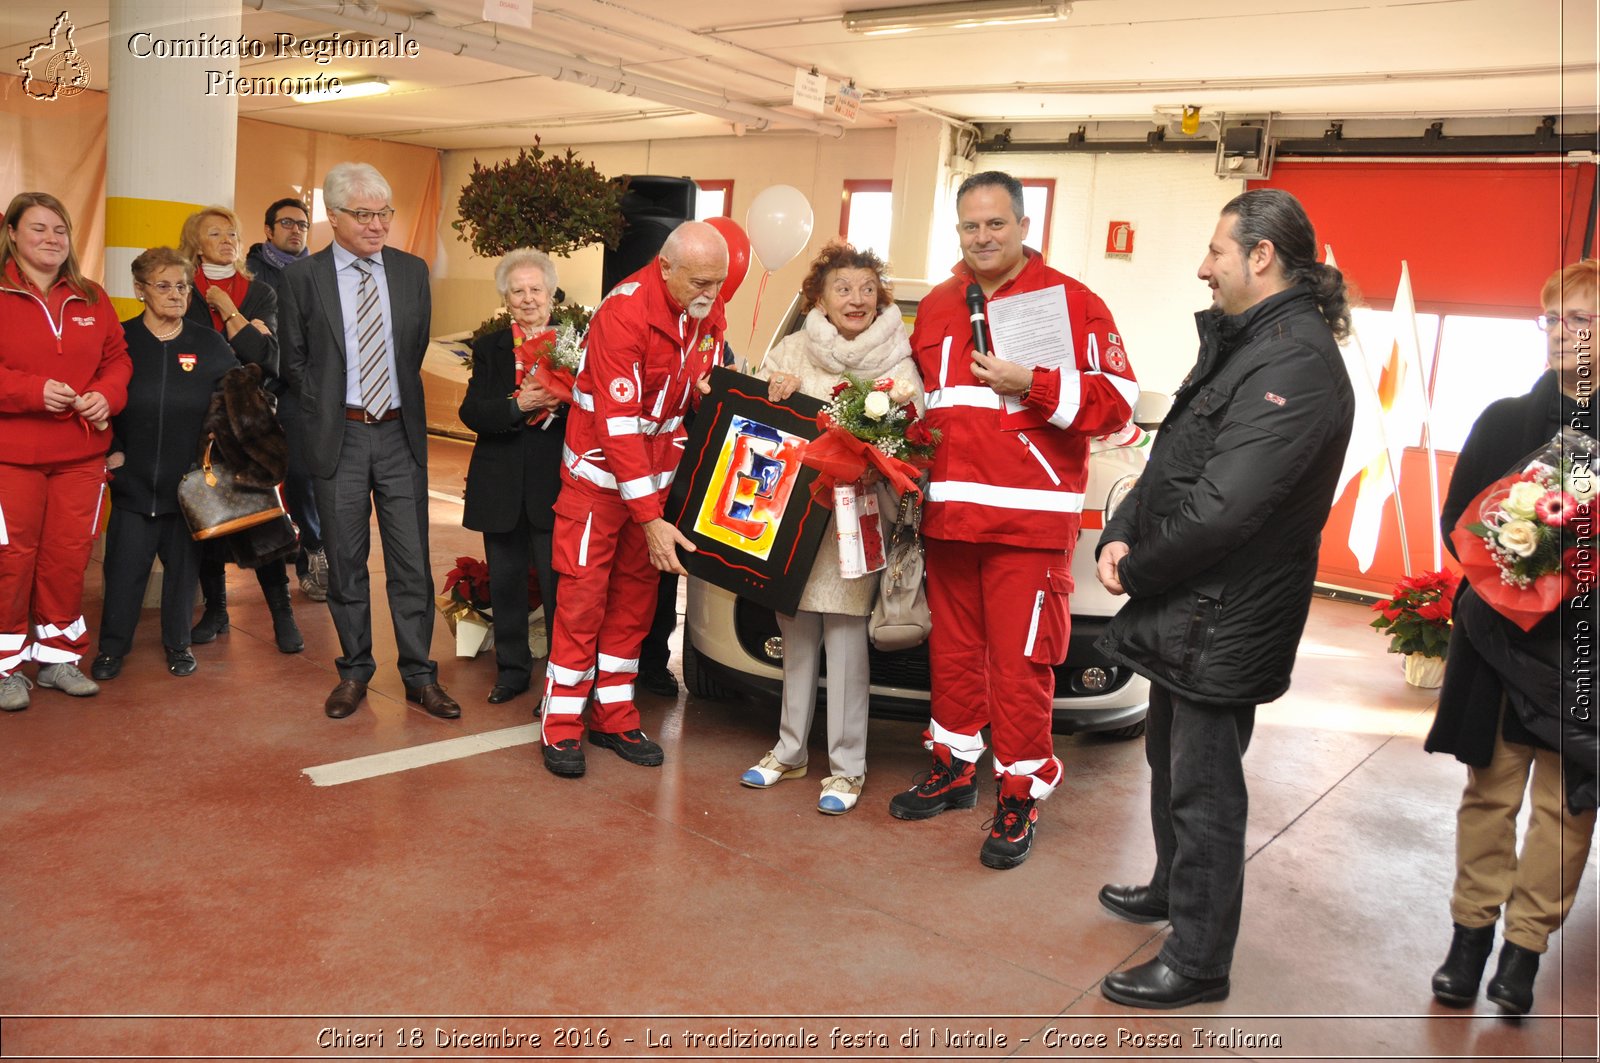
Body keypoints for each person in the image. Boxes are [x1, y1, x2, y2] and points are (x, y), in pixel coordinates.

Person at [1093, 188, 1355, 1009]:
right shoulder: (1250, 343)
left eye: (1215, 251)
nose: (1203, 267)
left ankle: (1199, 959)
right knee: (1169, 760)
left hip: (1226, 613)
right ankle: (1174, 890)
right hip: (1194, 606)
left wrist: (1136, 568)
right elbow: (1176, 448)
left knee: (1204, 788)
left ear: (1262, 256)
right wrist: (1123, 523)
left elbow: (1224, 507)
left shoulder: (1296, 365)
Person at [888, 171, 1138, 869]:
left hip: (1029, 524)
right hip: (949, 515)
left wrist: (1033, 382)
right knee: (954, 653)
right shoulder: (938, 306)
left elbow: (1118, 401)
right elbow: (924, 400)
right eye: (970, 226)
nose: (982, 237)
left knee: (1021, 664)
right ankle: (954, 764)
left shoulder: (1074, 302)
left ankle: (1021, 789)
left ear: (1025, 226)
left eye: (995, 224)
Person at [1424, 259, 1598, 1016]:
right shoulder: (1501, 418)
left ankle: (1524, 950)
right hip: (1498, 642)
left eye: (1582, 322)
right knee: (1488, 793)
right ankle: (1469, 939)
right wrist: (1515, 563)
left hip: (1583, 656)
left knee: (1565, 808)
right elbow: (1455, 521)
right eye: (1554, 320)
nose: (1563, 336)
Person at [539, 221, 727, 777]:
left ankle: (614, 715)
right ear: (665, 268)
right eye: (700, 282)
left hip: (655, 482)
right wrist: (649, 517)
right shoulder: (623, 313)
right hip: (599, 484)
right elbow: (617, 426)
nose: (711, 295)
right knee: (581, 603)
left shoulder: (705, 308)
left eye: (718, 283)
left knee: (635, 604)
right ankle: (561, 727)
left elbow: (702, 382)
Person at [740, 242, 921, 815]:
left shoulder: (899, 360)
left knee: (846, 646)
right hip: (791, 521)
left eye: (868, 289)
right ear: (819, 297)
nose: (857, 299)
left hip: (855, 520)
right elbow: (758, 427)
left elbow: (912, 442)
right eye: (843, 288)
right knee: (795, 638)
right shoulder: (790, 350)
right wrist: (772, 391)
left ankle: (847, 769)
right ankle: (790, 751)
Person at [278, 162, 460, 722]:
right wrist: (327, 409)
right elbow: (295, 360)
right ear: (332, 217)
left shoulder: (411, 272)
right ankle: (354, 672)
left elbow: (411, 349)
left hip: (401, 435)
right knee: (347, 562)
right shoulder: (302, 279)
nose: (378, 224)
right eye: (364, 215)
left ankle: (419, 676)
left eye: (385, 213)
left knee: (412, 564)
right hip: (342, 437)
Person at [0, 192, 130, 711]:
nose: (52, 239)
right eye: (38, 229)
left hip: (80, 456)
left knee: (68, 559)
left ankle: (58, 657)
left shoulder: (91, 296)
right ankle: (6, 666)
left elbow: (117, 359)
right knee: (11, 560)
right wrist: (31, 392)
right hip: (12, 457)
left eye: (60, 229)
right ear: (12, 233)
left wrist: (107, 395)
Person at [92, 247, 239, 680]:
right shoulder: (119, 340)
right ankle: (111, 650)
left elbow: (234, 400)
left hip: (187, 485)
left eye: (182, 286)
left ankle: (179, 645)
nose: (175, 295)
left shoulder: (207, 343)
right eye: (163, 286)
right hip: (132, 485)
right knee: (123, 573)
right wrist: (111, 449)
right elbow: (100, 399)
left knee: (182, 577)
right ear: (139, 290)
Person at [178, 206, 303, 656]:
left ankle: (282, 612)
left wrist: (229, 310)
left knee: (262, 515)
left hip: (248, 420)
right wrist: (242, 333)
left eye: (233, 232)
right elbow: (188, 352)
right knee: (209, 513)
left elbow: (267, 360)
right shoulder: (181, 290)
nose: (229, 239)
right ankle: (216, 609)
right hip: (196, 417)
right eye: (216, 233)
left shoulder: (260, 291)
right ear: (195, 243)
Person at [458, 248, 567, 706]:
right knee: (504, 585)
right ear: (506, 298)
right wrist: (515, 407)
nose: (527, 299)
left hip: (556, 486)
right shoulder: (489, 349)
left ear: (551, 295)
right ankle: (512, 671)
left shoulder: (572, 346)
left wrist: (568, 401)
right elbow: (472, 412)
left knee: (558, 586)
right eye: (517, 291)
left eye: (535, 290)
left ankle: (563, 681)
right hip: (499, 485)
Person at [247, 196, 327, 606]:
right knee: (263, 480)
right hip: (263, 389)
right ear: (268, 230)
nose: (296, 230)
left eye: (302, 224)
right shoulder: (251, 274)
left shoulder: (321, 272)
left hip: (309, 389)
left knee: (308, 475)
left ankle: (314, 552)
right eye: (287, 223)